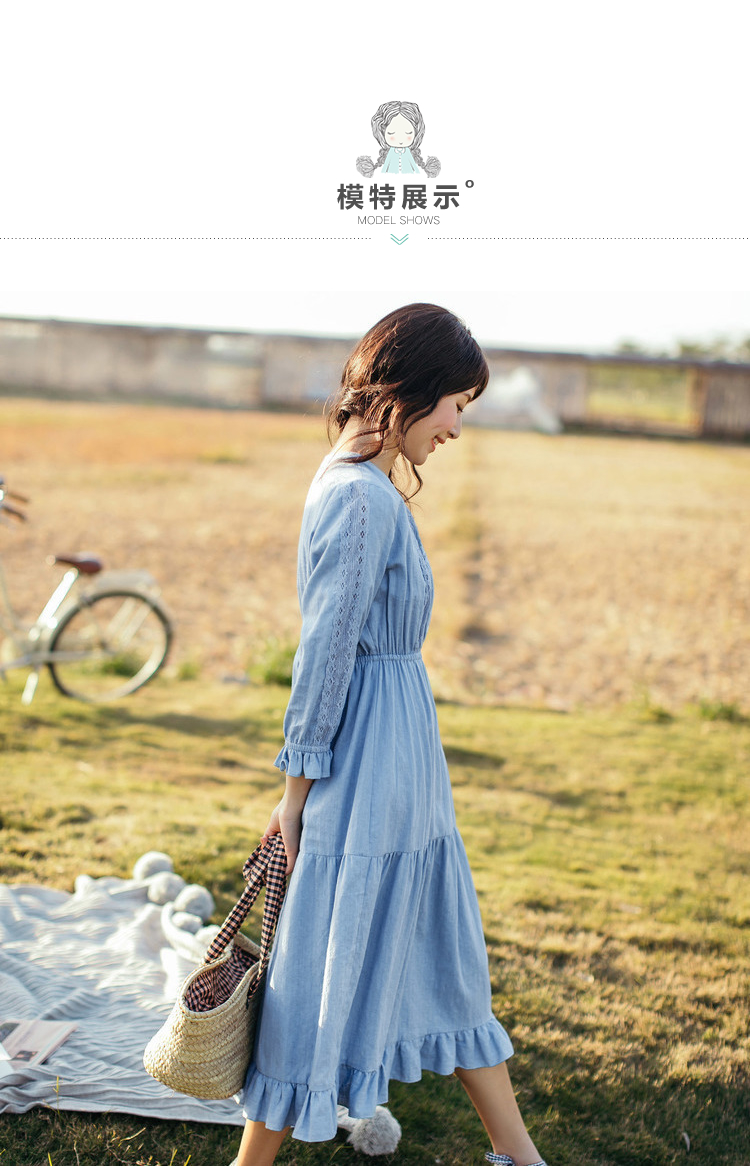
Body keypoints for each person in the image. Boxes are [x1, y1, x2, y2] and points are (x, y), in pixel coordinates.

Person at [235, 304, 547, 1166]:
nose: (456, 427)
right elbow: (325, 654)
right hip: (365, 761)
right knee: (317, 962)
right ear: (409, 389)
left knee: (441, 948)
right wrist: (295, 793)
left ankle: (520, 1156)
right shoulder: (359, 497)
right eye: (454, 404)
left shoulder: (362, 485)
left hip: (401, 753)